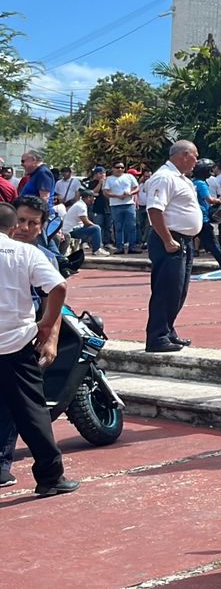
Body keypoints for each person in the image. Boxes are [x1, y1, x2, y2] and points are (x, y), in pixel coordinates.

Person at [0, 202, 79, 495]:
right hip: (15, 342)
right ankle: (50, 478)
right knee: (32, 413)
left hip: (15, 341)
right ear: (11, 228)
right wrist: (46, 325)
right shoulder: (26, 253)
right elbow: (58, 288)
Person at [143, 141, 203, 353]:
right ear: (185, 155)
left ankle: (168, 330)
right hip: (169, 239)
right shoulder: (164, 177)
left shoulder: (181, 178)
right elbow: (155, 210)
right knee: (166, 289)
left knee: (178, 290)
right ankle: (157, 336)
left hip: (183, 240)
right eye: (195, 156)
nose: (197, 161)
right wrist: (168, 240)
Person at [189, 159, 221, 275]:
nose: (211, 172)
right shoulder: (201, 183)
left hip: (192, 217)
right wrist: (219, 201)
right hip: (202, 218)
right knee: (213, 245)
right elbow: (209, 199)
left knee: (188, 244)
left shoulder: (192, 182)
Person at [104, 161, 138, 254]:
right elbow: (106, 192)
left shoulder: (129, 177)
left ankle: (132, 247)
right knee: (118, 227)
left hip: (129, 204)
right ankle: (120, 247)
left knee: (132, 226)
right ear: (113, 168)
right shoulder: (109, 179)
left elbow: (137, 188)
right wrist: (117, 196)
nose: (120, 169)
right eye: (117, 167)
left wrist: (130, 193)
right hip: (115, 205)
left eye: (122, 167)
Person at [61, 192, 107, 256]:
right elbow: (86, 222)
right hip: (70, 231)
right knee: (96, 228)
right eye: (93, 197)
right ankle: (97, 250)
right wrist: (96, 226)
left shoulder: (80, 204)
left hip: (74, 229)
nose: (94, 199)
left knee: (94, 229)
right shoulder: (81, 206)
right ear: (88, 198)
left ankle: (93, 246)